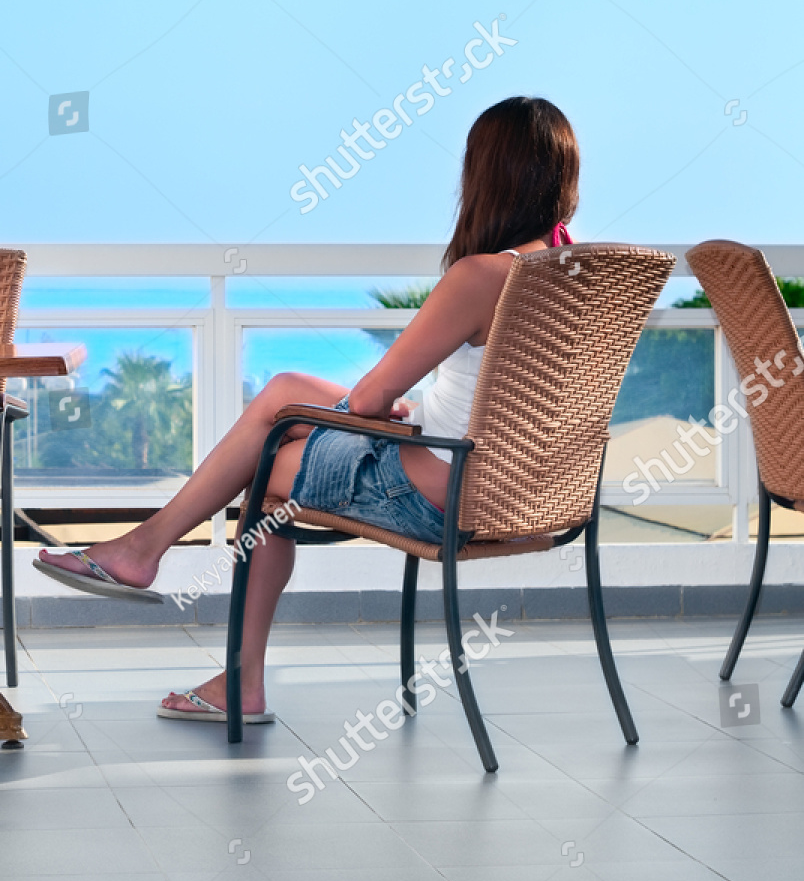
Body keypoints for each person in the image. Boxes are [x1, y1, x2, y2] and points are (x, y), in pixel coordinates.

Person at [34, 96, 581, 723]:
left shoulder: (483, 276)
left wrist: (354, 421)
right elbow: (500, 400)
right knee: (286, 390)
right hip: (530, 495)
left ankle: (213, 643)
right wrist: (375, 415)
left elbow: (373, 397)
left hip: (445, 492)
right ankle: (145, 550)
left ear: (486, 176)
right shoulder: (576, 274)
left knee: (268, 475)